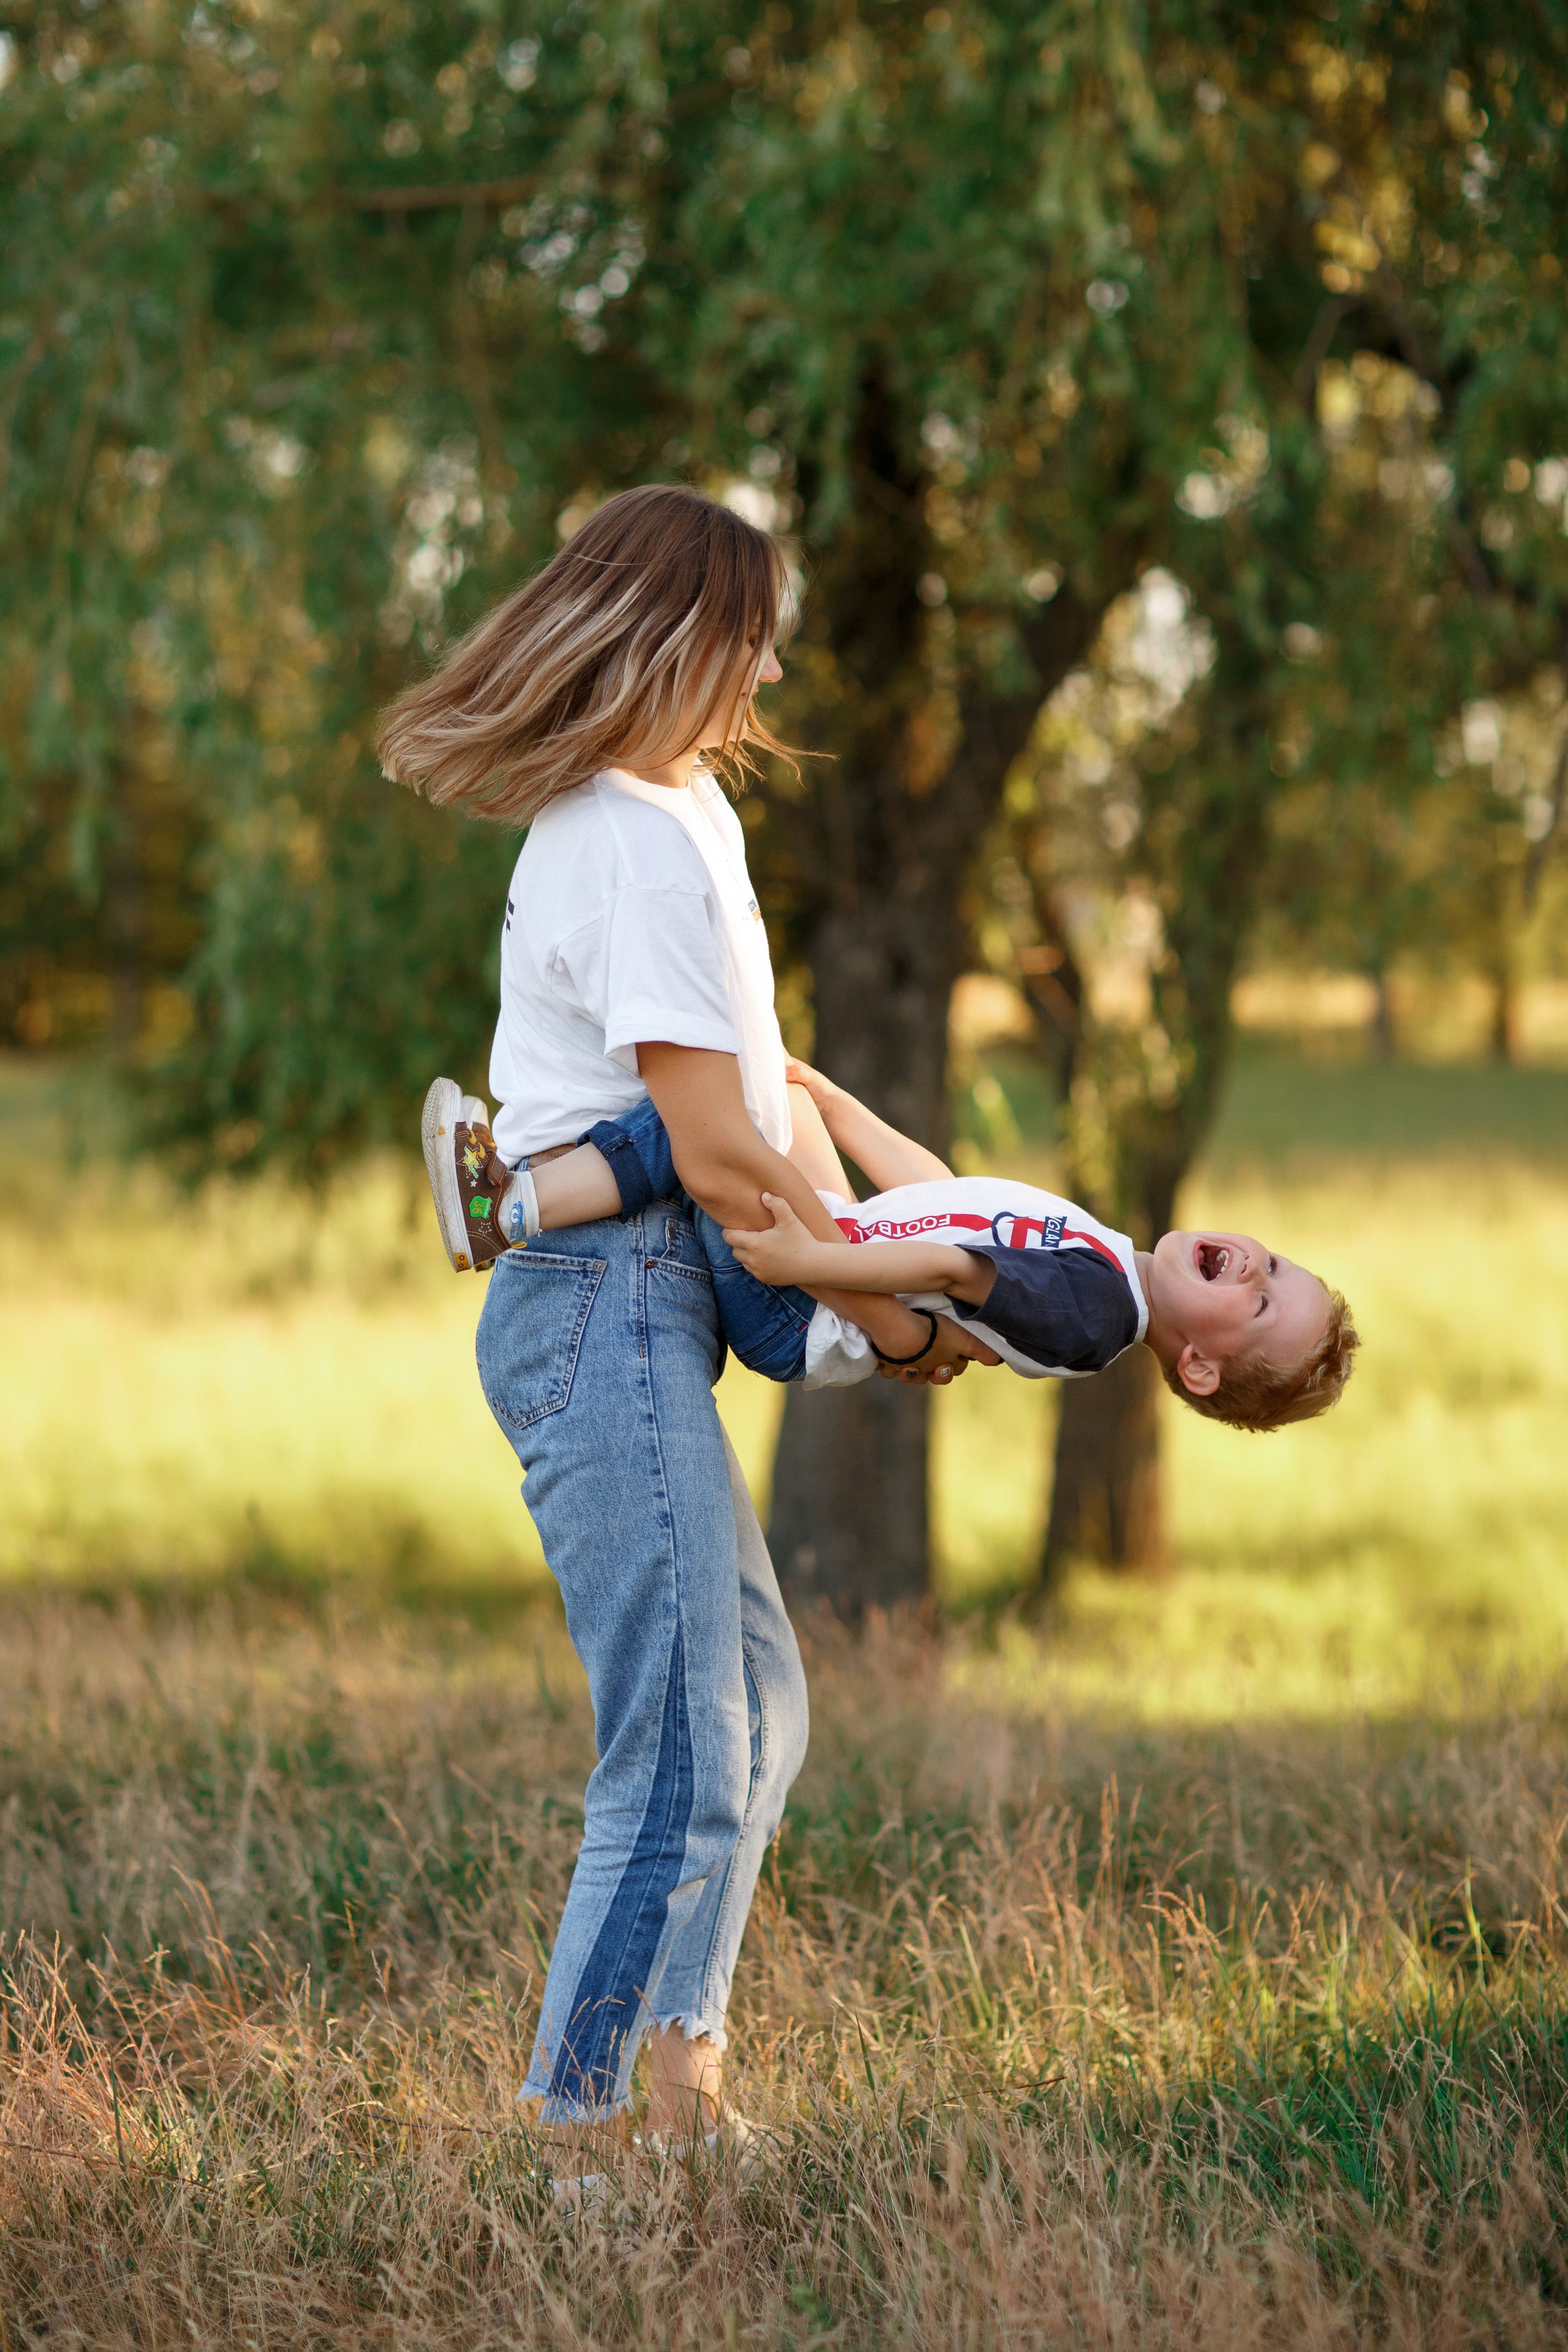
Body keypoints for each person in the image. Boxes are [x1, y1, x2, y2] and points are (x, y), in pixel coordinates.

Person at [377, 484, 995, 2193]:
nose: (772, 664)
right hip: (601, 1305)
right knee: (676, 1754)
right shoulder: (629, 839)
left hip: (647, 1293)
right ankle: (580, 2152)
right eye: (751, 633)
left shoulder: (686, 812)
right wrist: (881, 1305)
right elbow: (715, 1147)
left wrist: (884, 1277)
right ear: (679, 635)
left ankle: (684, 2090)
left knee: (764, 1719)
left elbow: (759, 1099)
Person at [426, 1057, 1357, 1433]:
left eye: (1262, 1303)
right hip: (833, 1255)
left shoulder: (1100, 1311)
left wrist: (807, 1262)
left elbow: (953, 1266)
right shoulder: (1110, 1260)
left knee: (715, 1118)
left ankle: (510, 1208)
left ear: (1198, 1367)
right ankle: (550, 1184)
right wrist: (832, 1105)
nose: (1252, 1264)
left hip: (806, 1303)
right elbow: (944, 1199)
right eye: (1273, 1263)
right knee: (759, 1087)